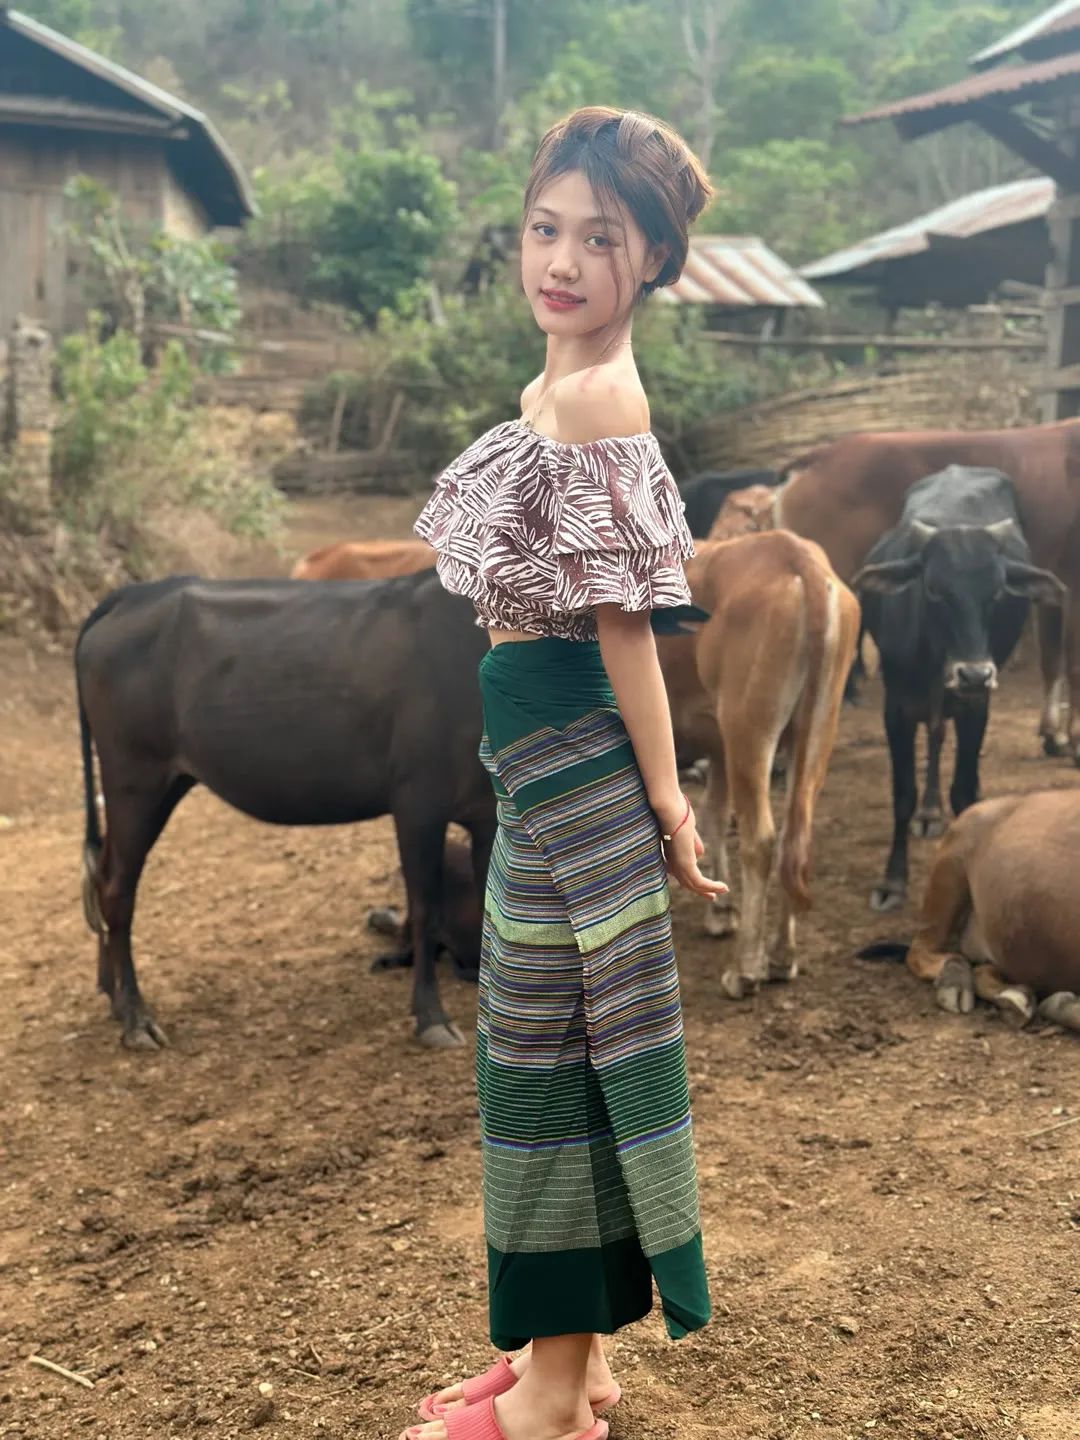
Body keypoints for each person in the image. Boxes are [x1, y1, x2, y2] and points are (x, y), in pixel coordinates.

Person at [403, 106, 726, 1440]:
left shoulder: (598, 399)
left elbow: (627, 628)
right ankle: (565, 1356)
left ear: (653, 260)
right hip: (535, 761)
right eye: (547, 228)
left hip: (581, 769)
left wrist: (665, 800)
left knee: (553, 1057)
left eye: (602, 238)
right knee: (539, 1046)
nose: (564, 260)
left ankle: (552, 1398)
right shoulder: (552, 390)